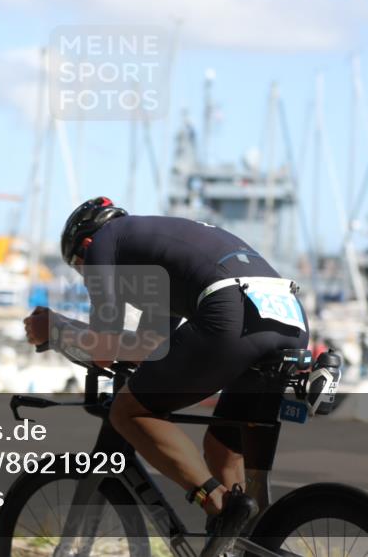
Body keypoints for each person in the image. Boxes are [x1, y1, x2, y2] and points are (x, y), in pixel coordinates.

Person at [24, 197, 310, 557]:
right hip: (289, 317)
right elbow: (150, 349)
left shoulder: (103, 242)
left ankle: (219, 503)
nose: (87, 278)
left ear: (85, 246)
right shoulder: (155, 258)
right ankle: (244, 542)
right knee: (222, 452)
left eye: (81, 269)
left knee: (128, 413)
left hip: (231, 312)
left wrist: (55, 328)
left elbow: (103, 347)